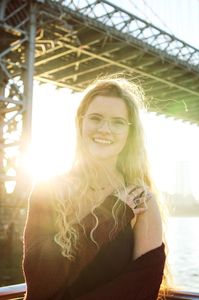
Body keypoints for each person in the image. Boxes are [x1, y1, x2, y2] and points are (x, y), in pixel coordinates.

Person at [23, 76, 166, 300]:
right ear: (81, 122)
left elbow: (141, 291)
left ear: (130, 133)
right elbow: (41, 281)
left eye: (118, 122)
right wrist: (110, 212)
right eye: (96, 118)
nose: (105, 129)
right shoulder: (47, 190)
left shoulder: (140, 200)